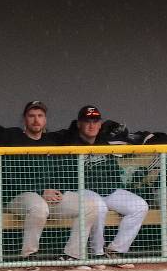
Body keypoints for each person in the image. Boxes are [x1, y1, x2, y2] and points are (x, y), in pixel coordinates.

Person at [0, 101, 100, 261]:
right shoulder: (13, 139)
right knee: (39, 207)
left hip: (48, 197)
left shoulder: (52, 140)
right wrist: (41, 190)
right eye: (31, 116)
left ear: (45, 119)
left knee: (90, 207)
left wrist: (58, 190)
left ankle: (72, 255)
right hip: (19, 197)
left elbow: (61, 170)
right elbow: (10, 177)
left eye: (40, 116)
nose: (36, 120)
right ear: (24, 119)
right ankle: (29, 256)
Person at [56, 106, 149, 261]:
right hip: (82, 190)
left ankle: (115, 250)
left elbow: (113, 170)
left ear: (100, 124)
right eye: (87, 121)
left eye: (95, 121)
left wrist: (116, 185)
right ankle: (97, 253)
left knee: (140, 206)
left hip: (107, 190)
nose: (92, 125)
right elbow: (67, 175)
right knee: (99, 207)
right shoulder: (70, 143)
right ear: (79, 124)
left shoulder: (103, 142)